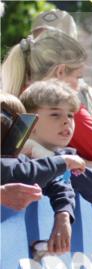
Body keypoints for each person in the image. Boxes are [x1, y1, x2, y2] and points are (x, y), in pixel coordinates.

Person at [1, 27, 92, 177]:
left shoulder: (17, 98)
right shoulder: (60, 106)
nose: (79, 86)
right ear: (60, 72)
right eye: (78, 77)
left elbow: (86, 140)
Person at [1, 92, 82, 255]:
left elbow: (59, 179)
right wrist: (62, 162)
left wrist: (63, 214)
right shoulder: (13, 165)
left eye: (8, 124)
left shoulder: (19, 159)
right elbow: (16, 173)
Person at [18, 80, 92, 206]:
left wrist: (52, 158)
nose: (66, 121)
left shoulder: (67, 155)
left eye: (70, 115)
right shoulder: (16, 156)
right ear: (29, 120)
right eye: (55, 114)